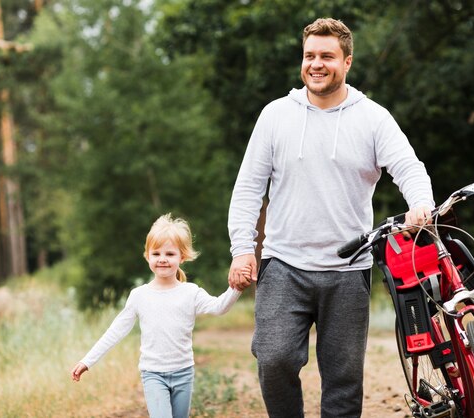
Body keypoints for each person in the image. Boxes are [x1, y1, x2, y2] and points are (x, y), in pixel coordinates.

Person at [227, 17, 434, 418]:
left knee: (342, 382)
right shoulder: (275, 116)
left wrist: (420, 203)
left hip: (349, 269)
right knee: (274, 360)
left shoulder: (372, 117)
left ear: (347, 62)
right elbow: (248, 189)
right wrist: (241, 250)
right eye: (309, 55)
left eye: (327, 56)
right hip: (283, 264)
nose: (316, 64)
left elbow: (409, 168)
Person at [71, 213, 242, 418]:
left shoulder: (191, 292)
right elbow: (115, 331)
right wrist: (87, 361)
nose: (162, 259)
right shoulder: (139, 296)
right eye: (156, 253)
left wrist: (236, 288)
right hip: (153, 374)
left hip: (184, 372)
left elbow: (219, 307)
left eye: (170, 254)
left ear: (182, 257)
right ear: (147, 256)